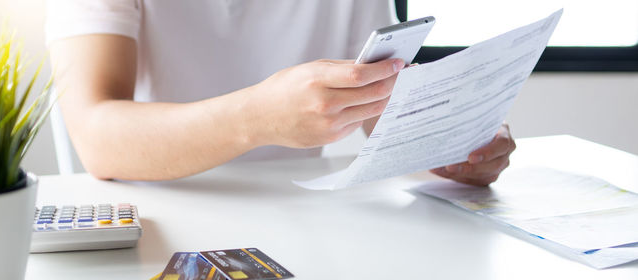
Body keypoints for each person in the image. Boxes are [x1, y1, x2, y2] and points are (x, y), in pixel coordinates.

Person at [45, 0, 515, 186]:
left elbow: (380, 108)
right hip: (153, 216)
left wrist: (449, 142)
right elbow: (98, 138)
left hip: (299, 211)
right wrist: (257, 117)